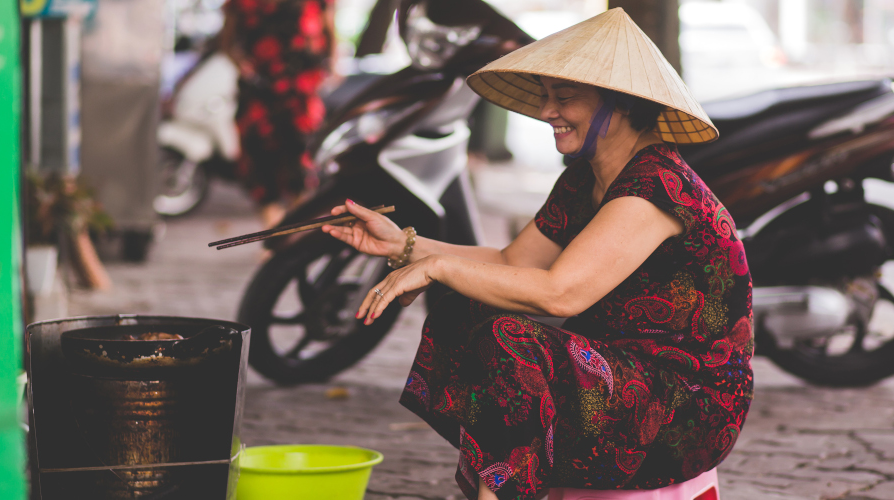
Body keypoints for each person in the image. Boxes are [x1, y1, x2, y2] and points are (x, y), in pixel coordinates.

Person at [322, 9, 752, 500]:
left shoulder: (657, 185)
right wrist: (405, 245)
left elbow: (559, 294)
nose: (547, 111)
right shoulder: (583, 179)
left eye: (564, 98)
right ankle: (499, 486)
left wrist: (437, 267)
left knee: (511, 341)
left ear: (623, 103)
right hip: (621, 368)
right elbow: (511, 264)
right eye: (546, 96)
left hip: (689, 404)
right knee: (464, 304)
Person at [219, 0, 336, 227]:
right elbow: (227, 42)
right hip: (259, 93)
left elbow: (330, 33)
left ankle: (297, 237)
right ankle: (274, 238)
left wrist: (329, 69)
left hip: (301, 93)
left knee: (301, 164)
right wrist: (243, 66)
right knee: (262, 167)